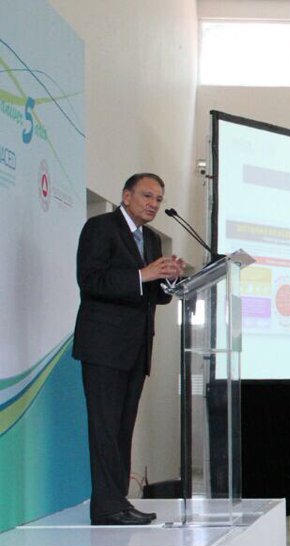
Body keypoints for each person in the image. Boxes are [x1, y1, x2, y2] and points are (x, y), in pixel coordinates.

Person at [73, 173, 184, 525]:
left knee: (123, 429)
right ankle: (106, 507)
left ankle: (118, 502)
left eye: (159, 199)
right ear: (126, 195)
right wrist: (142, 274)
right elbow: (90, 281)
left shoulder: (151, 238)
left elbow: (156, 296)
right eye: (147, 196)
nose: (154, 204)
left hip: (136, 349)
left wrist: (170, 279)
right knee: (105, 429)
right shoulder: (100, 228)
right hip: (103, 348)